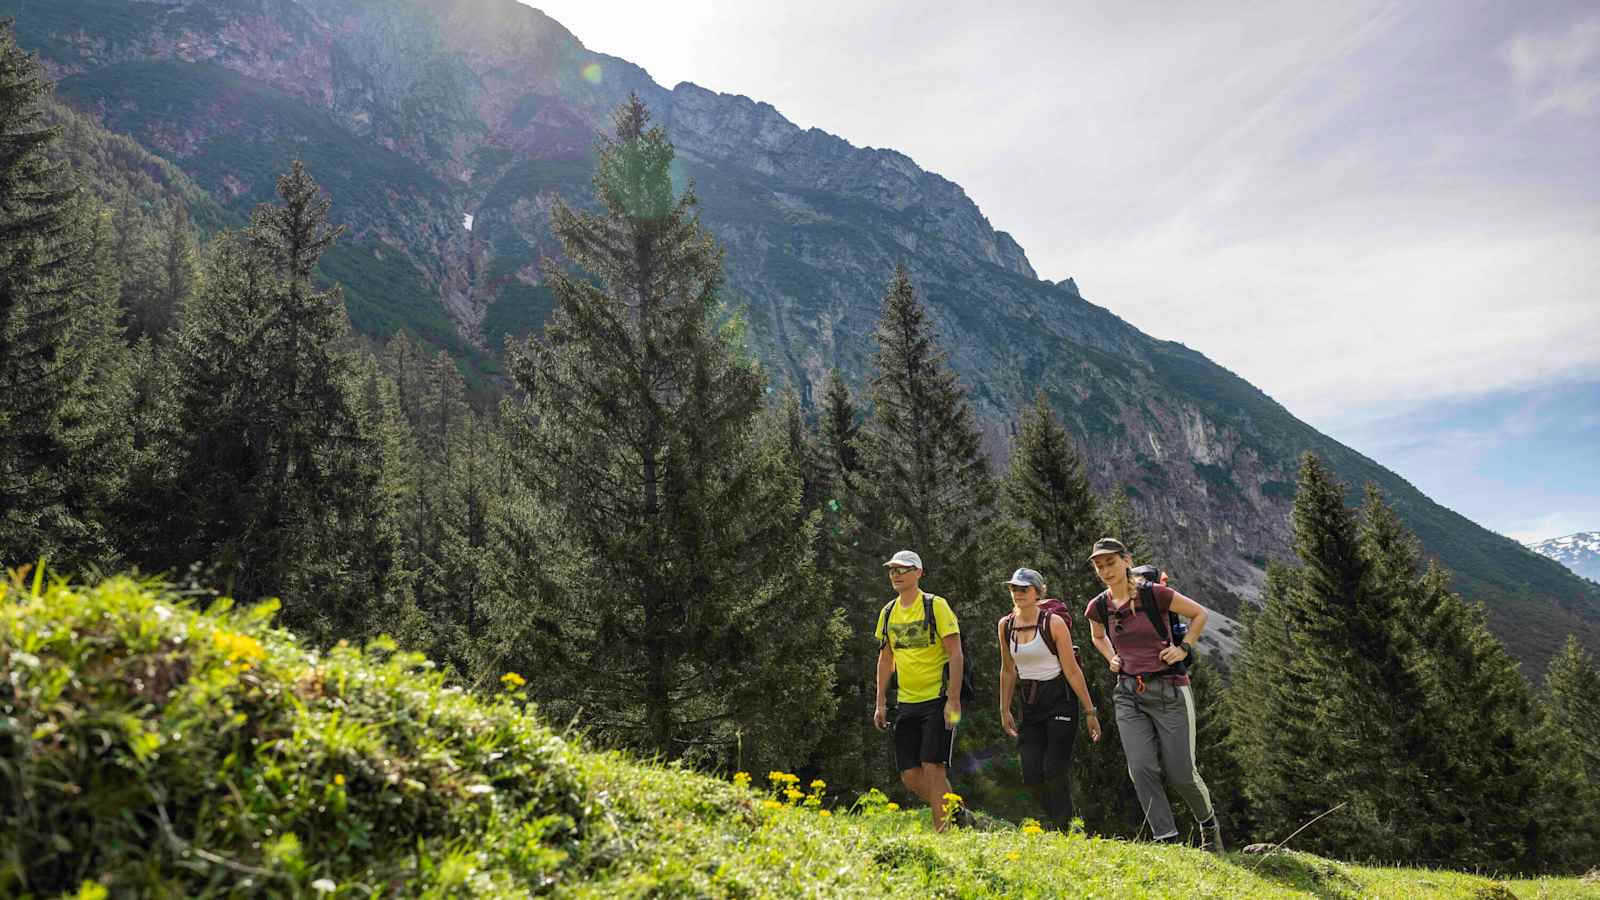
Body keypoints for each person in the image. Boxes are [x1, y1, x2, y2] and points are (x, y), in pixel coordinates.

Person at [1084, 538, 1225, 853]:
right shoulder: (1098, 606)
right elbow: (1097, 635)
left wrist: (1183, 648)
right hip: (1128, 693)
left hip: (1170, 689)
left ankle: (1208, 825)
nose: (1106, 570)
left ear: (1126, 560)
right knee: (1142, 768)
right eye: (1099, 565)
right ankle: (1168, 842)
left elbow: (1199, 614)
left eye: (1111, 562)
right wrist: (1111, 657)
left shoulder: (1155, 594)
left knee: (1181, 773)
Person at [996, 567, 1102, 831]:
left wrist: (1090, 711)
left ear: (1038, 592)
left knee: (1054, 768)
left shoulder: (1052, 622)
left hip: (1060, 699)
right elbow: (1008, 669)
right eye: (1014, 588)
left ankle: (1062, 828)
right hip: (1030, 703)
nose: (1018, 593)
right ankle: (1061, 822)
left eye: (1024, 589)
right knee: (1031, 775)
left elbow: (1071, 669)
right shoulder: (1005, 625)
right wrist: (1004, 708)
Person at [873, 549, 964, 831]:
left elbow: (955, 654)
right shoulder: (888, 612)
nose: (896, 575)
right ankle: (958, 813)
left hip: (937, 700)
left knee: (934, 768)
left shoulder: (935, 606)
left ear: (919, 573)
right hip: (906, 703)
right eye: (892, 570)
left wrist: (953, 699)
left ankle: (945, 836)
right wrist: (880, 703)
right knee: (910, 776)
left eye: (902, 569)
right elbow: (886, 659)